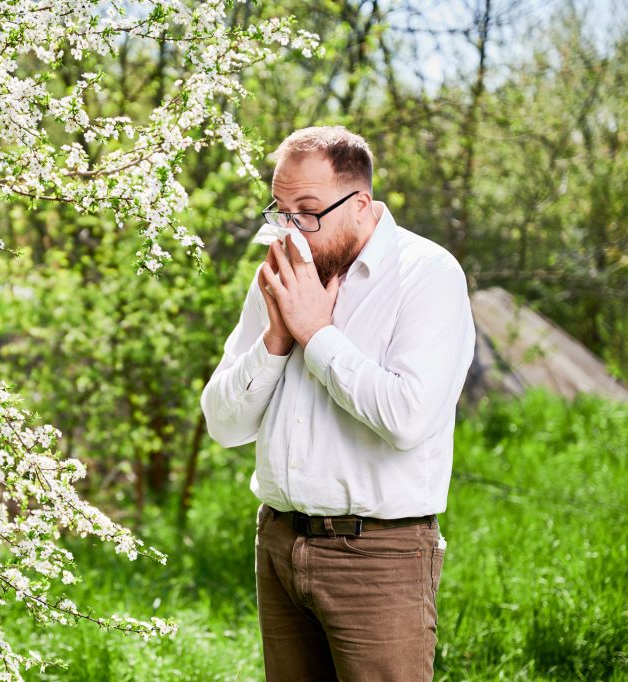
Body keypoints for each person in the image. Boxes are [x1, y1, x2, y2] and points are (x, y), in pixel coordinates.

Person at [200, 125, 475, 681]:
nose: (291, 231)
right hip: (277, 542)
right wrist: (276, 340)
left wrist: (316, 334)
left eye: (307, 210)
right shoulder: (277, 276)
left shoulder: (427, 275)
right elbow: (224, 425)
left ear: (361, 204)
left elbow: (406, 418)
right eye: (280, 211)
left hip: (378, 558)